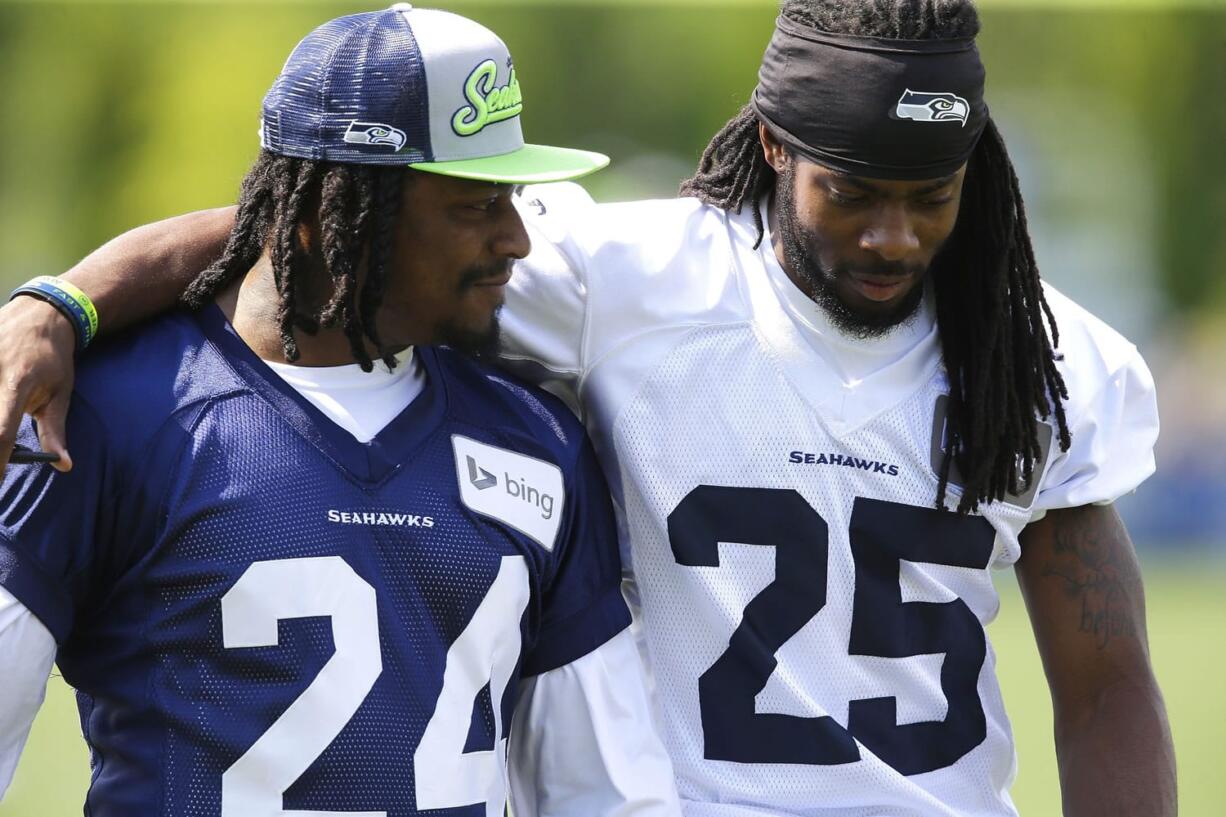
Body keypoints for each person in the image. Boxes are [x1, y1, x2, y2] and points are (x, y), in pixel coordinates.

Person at [0, 1, 1177, 815]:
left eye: (931, 198)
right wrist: (63, 302)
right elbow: (314, 223)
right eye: (852, 193)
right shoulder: (621, 282)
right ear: (773, 146)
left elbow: (1107, 677)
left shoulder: (1043, 358)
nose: (892, 235)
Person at [0, 5, 683, 816]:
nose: (516, 239)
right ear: (331, 213)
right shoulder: (109, 417)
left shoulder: (537, 443)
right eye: (475, 203)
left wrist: (64, 299)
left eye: (513, 197)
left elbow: (605, 794)